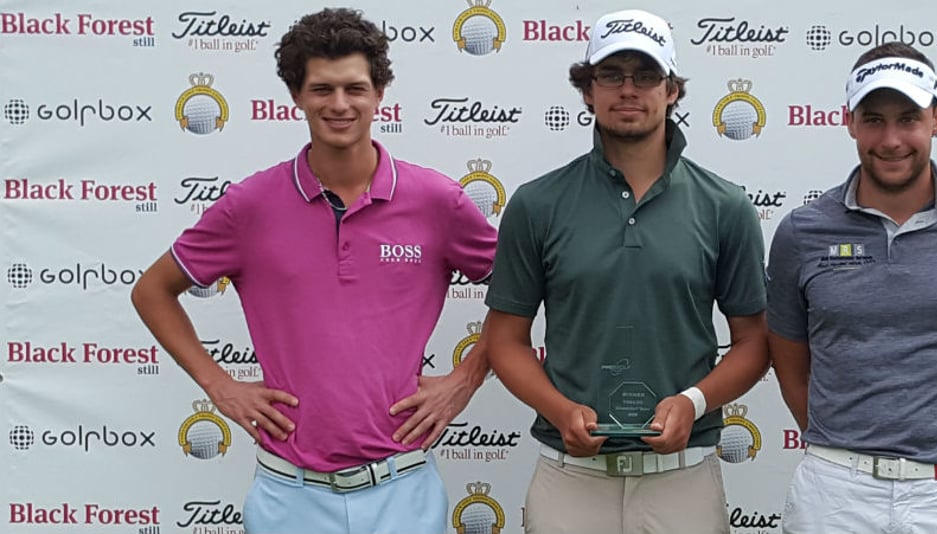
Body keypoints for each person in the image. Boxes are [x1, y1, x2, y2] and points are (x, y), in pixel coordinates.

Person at [131, 8, 496, 534]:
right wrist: (219, 385)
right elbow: (153, 291)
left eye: (355, 88)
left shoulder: (437, 201)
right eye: (322, 89)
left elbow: (520, 291)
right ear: (297, 96)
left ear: (379, 94)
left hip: (403, 489)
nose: (340, 104)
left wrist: (467, 376)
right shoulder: (249, 205)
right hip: (288, 494)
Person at [480, 9, 769, 534]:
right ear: (588, 90)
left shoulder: (725, 206)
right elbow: (505, 340)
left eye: (646, 75)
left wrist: (693, 401)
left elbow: (754, 342)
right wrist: (559, 408)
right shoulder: (536, 204)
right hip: (571, 479)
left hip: (682, 481)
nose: (628, 89)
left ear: (673, 90)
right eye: (611, 75)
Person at [766, 41, 937, 533]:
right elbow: (792, 373)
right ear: (849, 121)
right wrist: (843, 453)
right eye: (873, 119)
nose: (891, 139)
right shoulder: (802, 233)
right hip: (835, 492)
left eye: (908, 118)